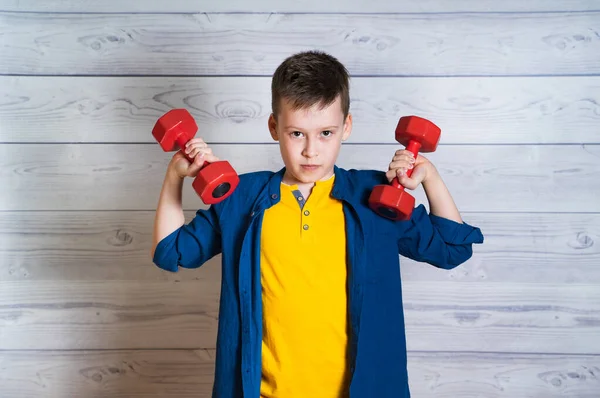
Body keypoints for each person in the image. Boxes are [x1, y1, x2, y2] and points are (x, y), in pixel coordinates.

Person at [151, 50, 484, 398]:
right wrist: (176, 175)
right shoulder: (240, 198)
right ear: (274, 128)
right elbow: (170, 251)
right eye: (297, 134)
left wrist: (428, 176)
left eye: (326, 132)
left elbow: (452, 249)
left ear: (347, 127)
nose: (311, 150)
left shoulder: (376, 197)